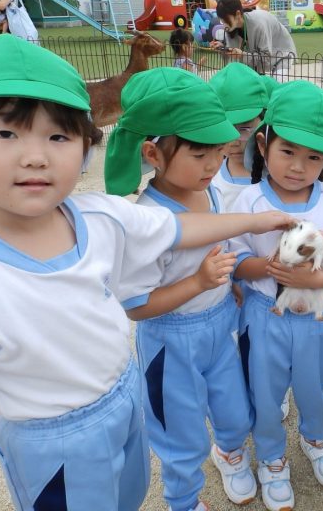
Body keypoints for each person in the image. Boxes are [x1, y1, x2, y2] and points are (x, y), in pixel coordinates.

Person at [0, 34, 293, 511]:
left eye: (58, 136)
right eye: (6, 133)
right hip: (51, 442)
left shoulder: (99, 216)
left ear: (86, 143)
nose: (36, 156)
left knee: (130, 495)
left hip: (123, 398)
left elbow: (178, 228)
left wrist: (264, 219)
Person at [103, 67, 259, 511]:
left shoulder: (207, 190)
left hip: (220, 324)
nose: (213, 163)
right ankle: (184, 500)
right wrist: (198, 282)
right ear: (153, 153)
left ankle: (229, 449)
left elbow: (217, 244)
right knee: (179, 431)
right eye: (198, 153)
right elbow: (136, 307)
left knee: (235, 409)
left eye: (218, 149)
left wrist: (225, 286)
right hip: (171, 342)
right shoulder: (144, 221)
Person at [230, 81, 323, 511]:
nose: (298, 166)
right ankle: (271, 457)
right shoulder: (248, 200)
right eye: (287, 151)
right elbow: (234, 261)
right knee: (265, 392)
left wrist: (319, 279)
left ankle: (316, 437)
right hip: (264, 316)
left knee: (315, 385)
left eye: (314, 157)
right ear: (264, 143)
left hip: (320, 320)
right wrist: (264, 268)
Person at [209, 62, 269, 212]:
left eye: (245, 128)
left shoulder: (280, 176)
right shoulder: (209, 178)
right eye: (225, 130)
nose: (234, 141)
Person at [211, 0, 296, 80]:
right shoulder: (230, 29)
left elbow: (265, 58)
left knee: (278, 84)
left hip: (281, 54)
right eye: (221, 20)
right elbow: (234, 61)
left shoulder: (258, 24)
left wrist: (242, 55)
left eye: (225, 20)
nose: (223, 24)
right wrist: (223, 48)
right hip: (259, 59)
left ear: (238, 14)